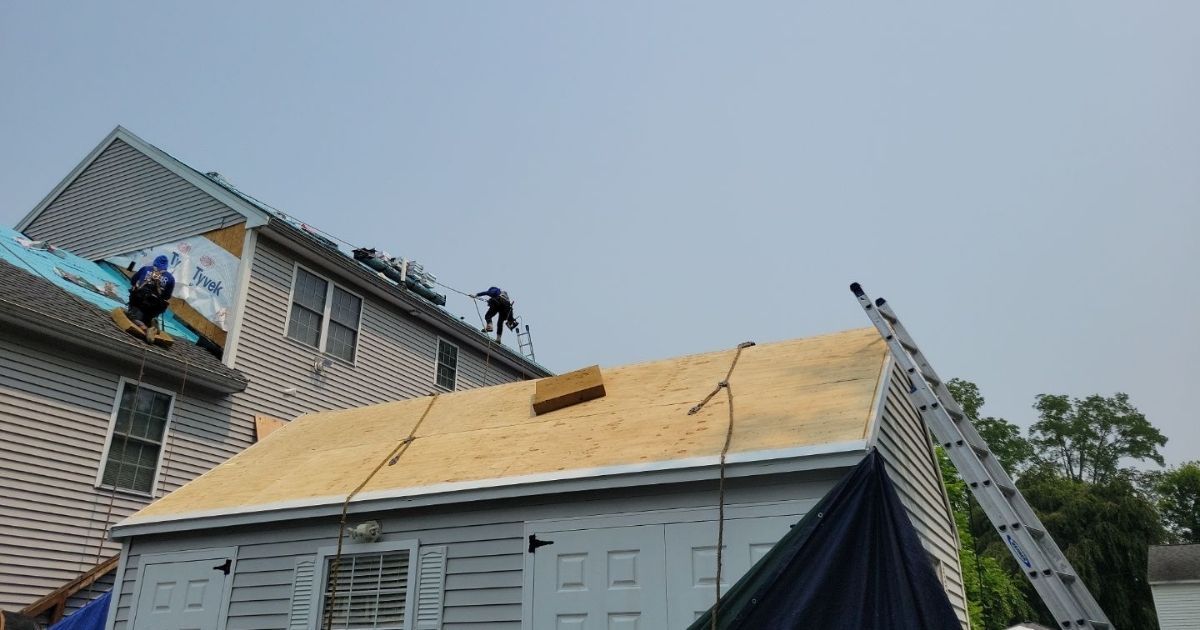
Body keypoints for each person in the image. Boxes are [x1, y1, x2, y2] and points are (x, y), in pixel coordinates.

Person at [126, 255, 175, 333]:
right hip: (154, 308)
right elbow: (167, 296)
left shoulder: (145, 269)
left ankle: (144, 327)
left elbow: (133, 281)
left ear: (155, 262)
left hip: (139, 302)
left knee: (131, 317)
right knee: (148, 318)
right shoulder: (171, 278)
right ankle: (151, 323)